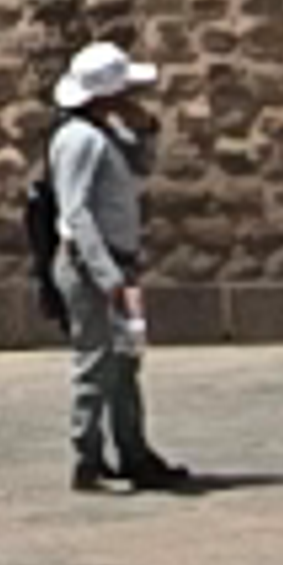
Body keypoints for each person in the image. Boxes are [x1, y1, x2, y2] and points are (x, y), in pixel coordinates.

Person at [48, 42, 193, 491]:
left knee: (125, 361)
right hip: (95, 267)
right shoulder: (79, 140)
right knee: (95, 362)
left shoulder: (107, 134)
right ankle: (87, 458)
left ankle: (134, 451)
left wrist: (144, 129)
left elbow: (140, 163)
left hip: (119, 265)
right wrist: (108, 276)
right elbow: (76, 213)